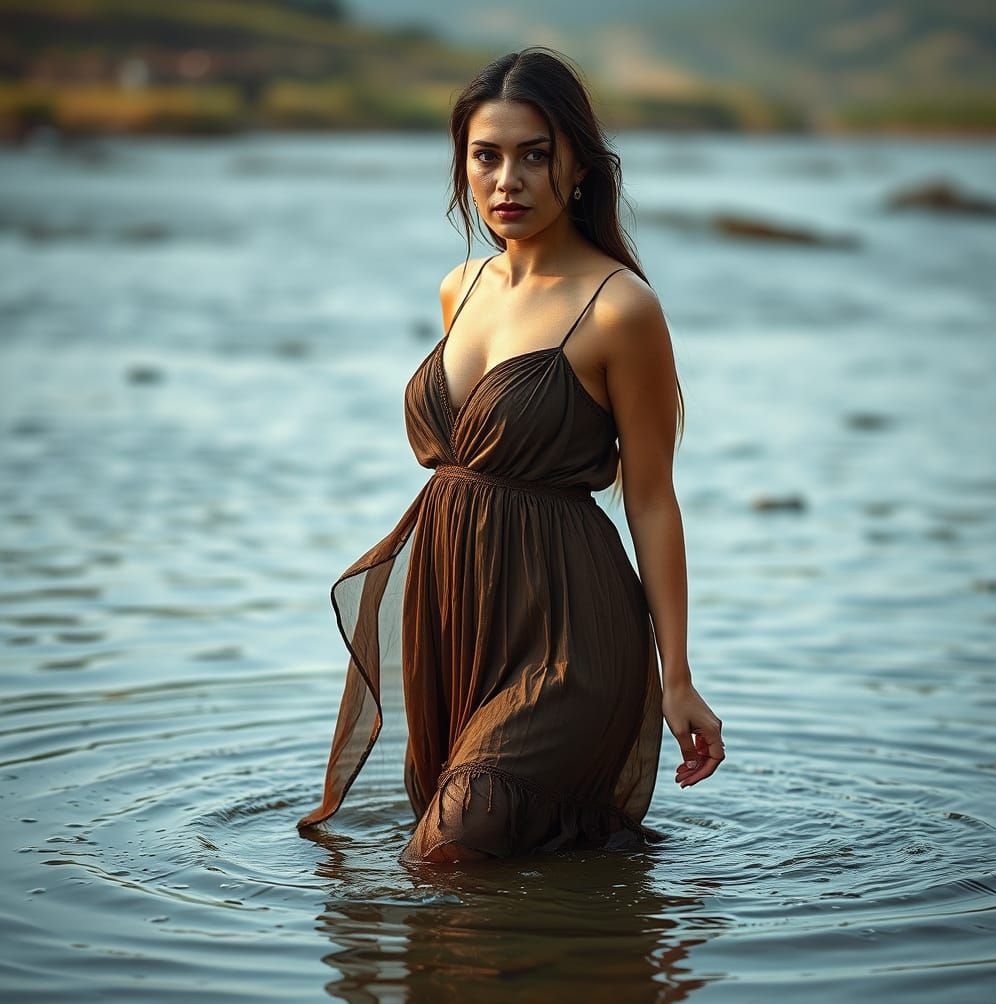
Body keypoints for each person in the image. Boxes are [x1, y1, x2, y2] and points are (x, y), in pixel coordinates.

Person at [296, 46, 725, 864]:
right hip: (456, 613)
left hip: (570, 630)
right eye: (486, 157)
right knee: (482, 865)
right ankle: (557, 978)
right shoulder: (460, 287)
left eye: (535, 155)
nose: (507, 181)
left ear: (579, 167)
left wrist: (677, 676)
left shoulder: (620, 309)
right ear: (462, 166)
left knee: (445, 853)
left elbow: (653, 499)